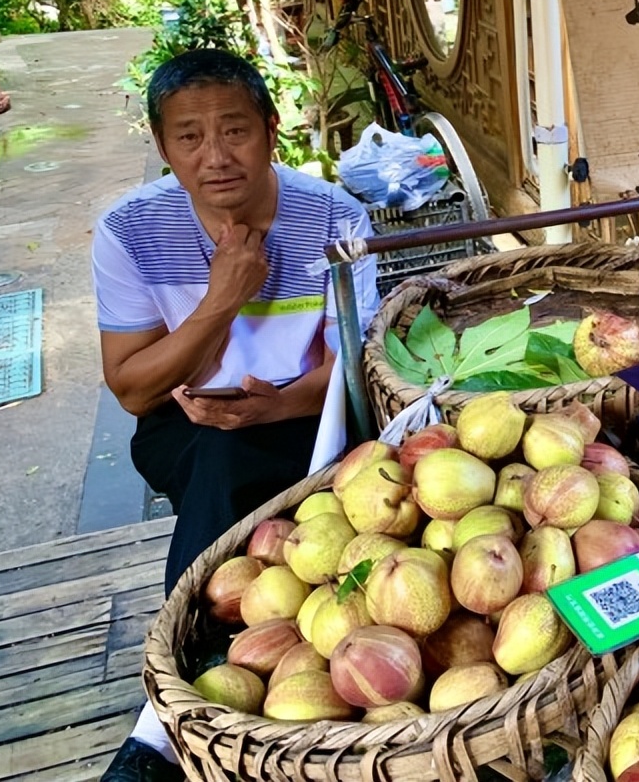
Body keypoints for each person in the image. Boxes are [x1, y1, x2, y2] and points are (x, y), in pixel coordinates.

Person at [92, 49, 377, 782]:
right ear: (162, 147)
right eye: (188, 137)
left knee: (243, 469)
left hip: (308, 413)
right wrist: (224, 295)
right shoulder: (129, 231)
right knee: (218, 459)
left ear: (271, 130)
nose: (214, 156)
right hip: (180, 424)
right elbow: (131, 390)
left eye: (235, 131)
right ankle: (203, 689)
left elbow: (355, 365)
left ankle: (172, 709)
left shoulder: (335, 218)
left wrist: (278, 403)